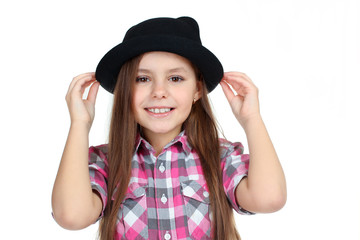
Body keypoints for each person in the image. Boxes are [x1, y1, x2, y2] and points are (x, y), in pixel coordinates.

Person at [51, 16, 286, 240]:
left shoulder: (219, 156)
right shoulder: (107, 162)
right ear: (125, 91)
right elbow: (71, 216)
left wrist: (252, 119)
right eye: (142, 79)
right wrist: (79, 126)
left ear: (197, 90)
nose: (159, 91)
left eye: (175, 78)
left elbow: (269, 199)